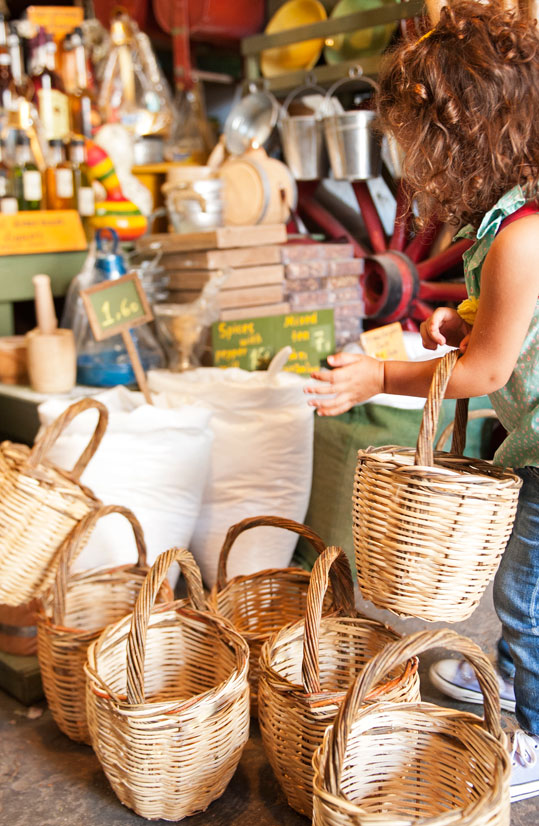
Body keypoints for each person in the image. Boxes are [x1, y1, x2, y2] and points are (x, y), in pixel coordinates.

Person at [305, 0, 539, 803]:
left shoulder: (518, 237)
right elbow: (509, 321)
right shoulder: (509, 225)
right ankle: (515, 677)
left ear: (462, 141)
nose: (411, 165)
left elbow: (480, 373)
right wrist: (460, 316)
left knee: (525, 591)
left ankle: (535, 729)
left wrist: (379, 378)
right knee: (529, 583)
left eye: (417, 146)